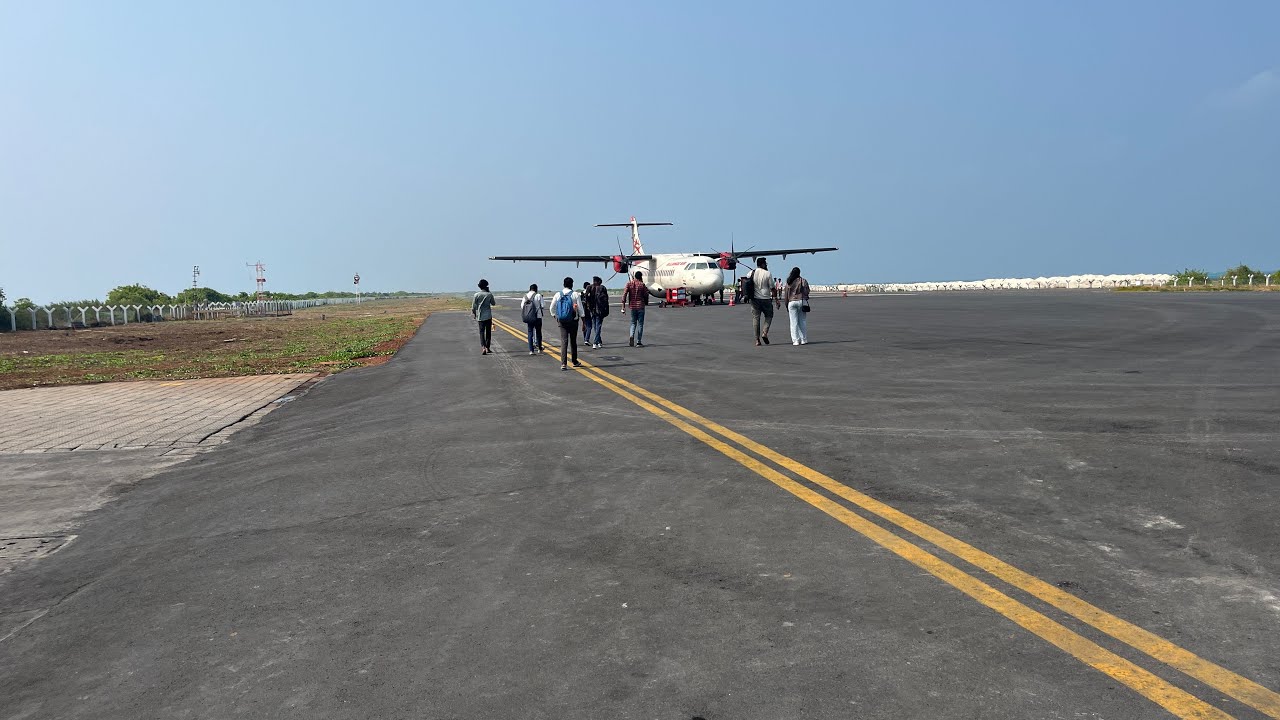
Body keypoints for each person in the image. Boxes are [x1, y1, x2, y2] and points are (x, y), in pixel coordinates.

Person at [550, 277, 584, 371]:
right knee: (573, 341)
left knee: (564, 341)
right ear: (572, 284)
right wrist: (583, 320)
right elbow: (581, 309)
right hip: (573, 321)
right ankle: (574, 361)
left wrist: (555, 317)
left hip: (562, 321)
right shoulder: (575, 294)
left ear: (563, 284)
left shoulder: (558, 294)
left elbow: (551, 308)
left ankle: (563, 364)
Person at [748, 257, 780, 346]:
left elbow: (746, 282)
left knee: (756, 318)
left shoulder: (751, 273)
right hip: (766, 299)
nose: (766, 265)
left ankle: (757, 340)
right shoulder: (768, 273)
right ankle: (764, 332)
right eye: (765, 263)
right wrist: (776, 299)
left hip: (754, 300)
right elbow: (773, 288)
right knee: (769, 315)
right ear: (762, 264)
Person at [621, 270, 649, 347]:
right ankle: (639, 341)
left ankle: (631, 335)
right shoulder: (642, 285)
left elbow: (624, 294)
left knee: (633, 323)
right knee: (640, 324)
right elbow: (646, 294)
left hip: (632, 307)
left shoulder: (629, 283)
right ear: (640, 277)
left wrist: (623, 305)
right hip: (640, 306)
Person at [784, 266, 810, 345]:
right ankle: (803, 339)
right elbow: (807, 291)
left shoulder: (789, 281)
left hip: (792, 302)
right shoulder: (803, 280)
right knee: (802, 321)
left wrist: (786, 304)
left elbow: (786, 294)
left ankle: (795, 340)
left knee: (793, 322)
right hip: (801, 301)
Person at [471, 279, 496, 355]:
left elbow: (473, 307)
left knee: (481, 332)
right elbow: (493, 303)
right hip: (488, 316)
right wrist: (489, 293)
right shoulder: (489, 294)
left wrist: (475, 314)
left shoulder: (476, 295)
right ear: (486, 286)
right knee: (488, 332)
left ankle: (483, 347)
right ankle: (488, 348)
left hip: (480, 316)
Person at [520, 283, 544, 355]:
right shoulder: (538, 295)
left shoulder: (525, 296)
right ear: (536, 289)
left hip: (529, 317)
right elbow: (543, 305)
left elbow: (522, 306)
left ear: (529, 289)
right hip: (537, 316)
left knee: (530, 333)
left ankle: (531, 350)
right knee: (538, 332)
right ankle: (539, 348)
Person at [588, 276, 609, 348]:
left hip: (592, 310)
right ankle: (595, 342)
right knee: (598, 326)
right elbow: (606, 300)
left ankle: (599, 341)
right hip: (600, 310)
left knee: (595, 326)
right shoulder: (602, 288)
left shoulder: (590, 287)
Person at [580, 281, 595, 345]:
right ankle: (586, 339)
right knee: (589, 326)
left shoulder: (581, 294)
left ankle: (585, 338)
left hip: (582, 312)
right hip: (588, 311)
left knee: (584, 324)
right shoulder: (589, 294)